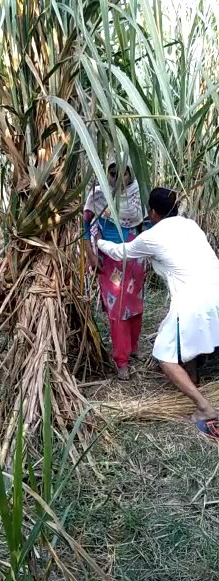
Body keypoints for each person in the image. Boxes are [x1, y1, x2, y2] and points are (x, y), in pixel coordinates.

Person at [97, 187, 219, 433]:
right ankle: (192, 375)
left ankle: (204, 408)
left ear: (152, 212)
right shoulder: (190, 225)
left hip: (194, 301)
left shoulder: (152, 237)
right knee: (184, 334)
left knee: (164, 355)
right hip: (215, 290)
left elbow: (121, 253)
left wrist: (97, 241)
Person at [83, 161, 146, 380]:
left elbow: (143, 226)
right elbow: (85, 226)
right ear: (106, 174)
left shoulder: (137, 194)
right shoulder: (97, 196)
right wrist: (90, 255)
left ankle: (133, 347)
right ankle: (122, 361)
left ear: (131, 173)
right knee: (117, 308)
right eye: (113, 172)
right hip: (108, 260)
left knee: (135, 305)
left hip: (135, 258)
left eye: (124, 172)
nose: (119, 178)